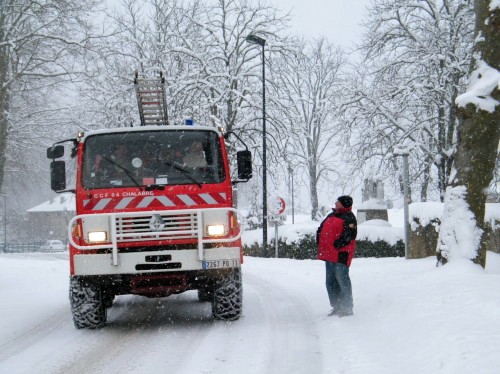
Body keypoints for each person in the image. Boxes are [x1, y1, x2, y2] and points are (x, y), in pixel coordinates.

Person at [316, 195, 357, 317]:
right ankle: (337, 306)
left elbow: (350, 235)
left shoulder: (349, 217)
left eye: (338, 202)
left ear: (344, 203)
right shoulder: (331, 214)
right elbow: (321, 228)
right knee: (330, 281)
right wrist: (319, 237)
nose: (336, 203)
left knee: (342, 279)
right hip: (329, 253)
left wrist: (338, 244)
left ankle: (347, 307)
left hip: (341, 254)